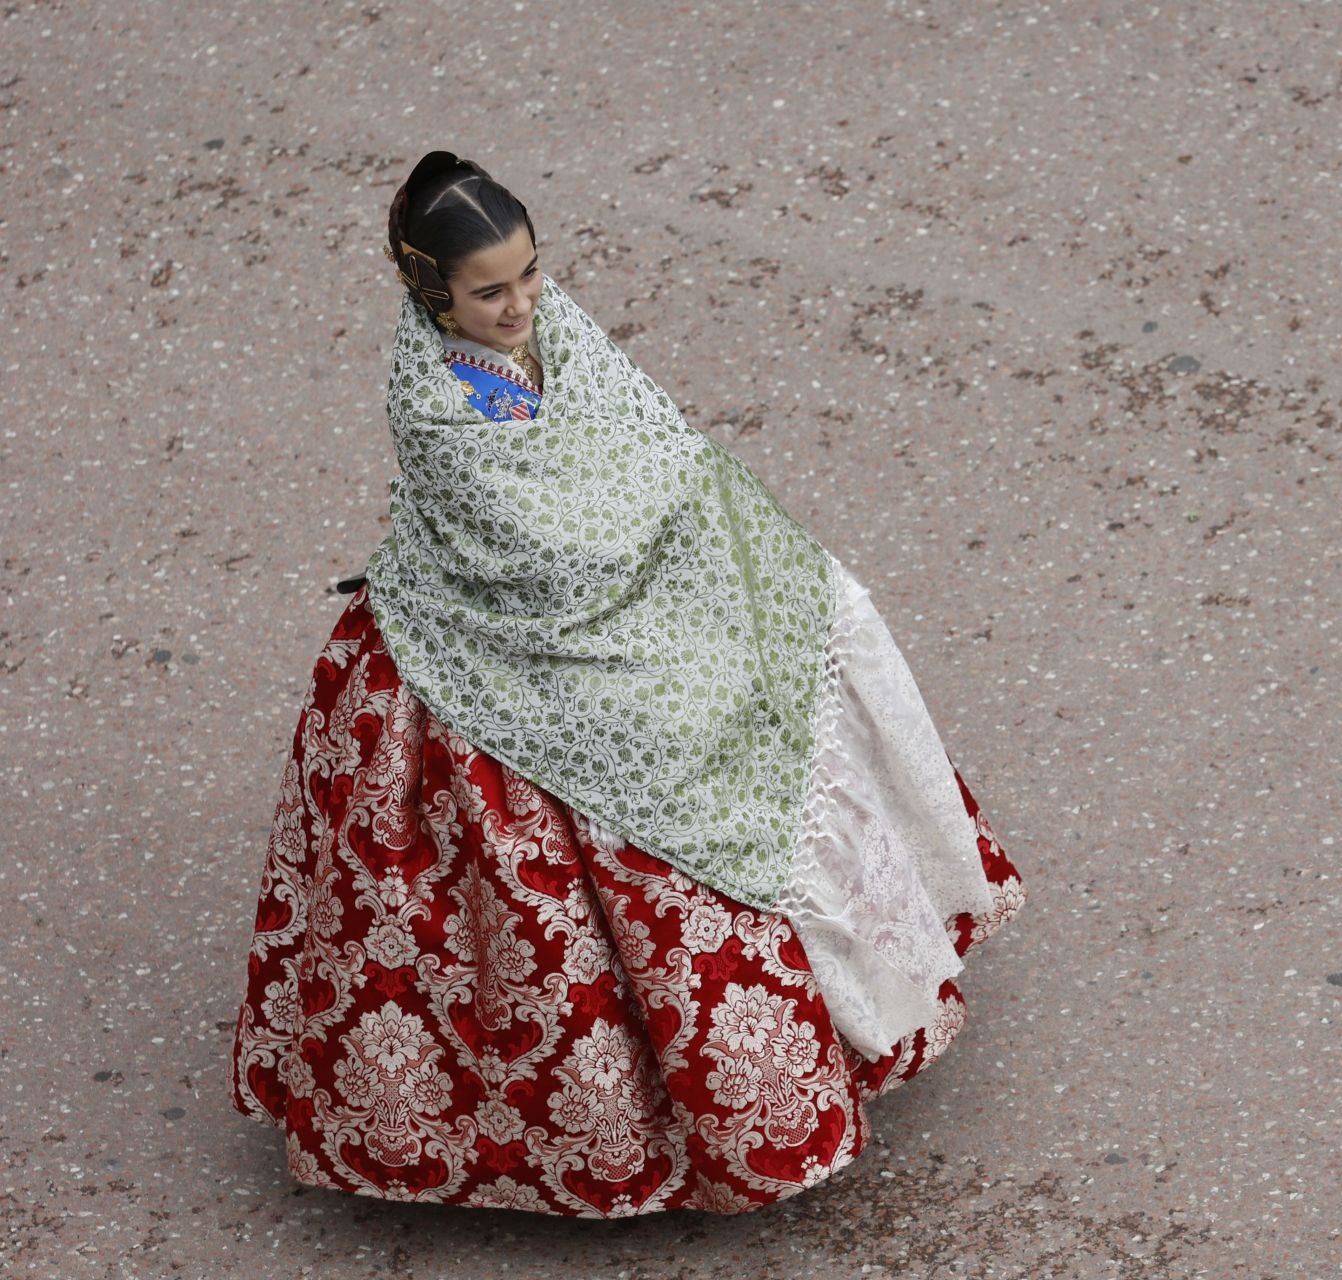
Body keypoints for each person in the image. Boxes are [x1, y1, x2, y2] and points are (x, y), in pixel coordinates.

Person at [227, 151, 1026, 1217]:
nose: (521, 305)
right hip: (498, 648)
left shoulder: (550, 333)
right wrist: (665, 540)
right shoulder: (437, 412)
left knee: (770, 695)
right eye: (489, 291)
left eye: (528, 274)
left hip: (613, 607)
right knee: (641, 805)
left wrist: (698, 546)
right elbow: (552, 548)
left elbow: (650, 446)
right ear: (434, 294)